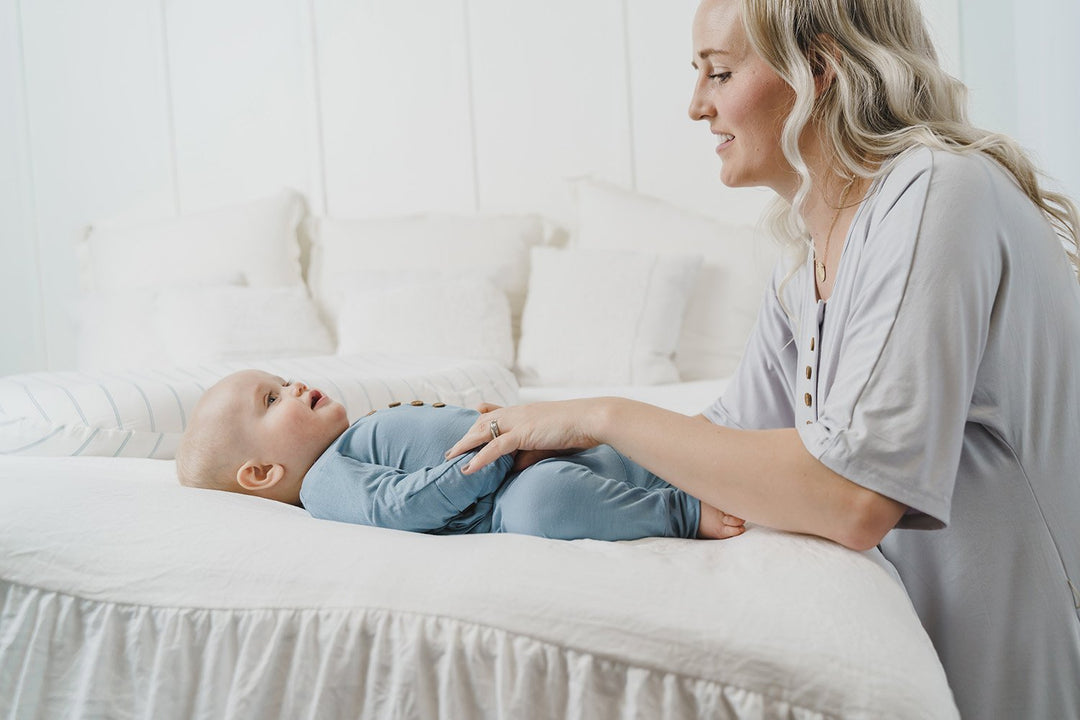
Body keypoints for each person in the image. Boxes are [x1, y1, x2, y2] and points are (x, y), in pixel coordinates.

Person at [444, 0, 1080, 716]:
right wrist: (518, 451)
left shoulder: (937, 193)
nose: (694, 107)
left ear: (821, 69)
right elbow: (724, 449)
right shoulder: (803, 266)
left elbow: (855, 496)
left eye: (718, 73)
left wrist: (600, 413)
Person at [174, 369, 744, 542]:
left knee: (617, 445)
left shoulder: (355, 435)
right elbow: (404, 505)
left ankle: (690, 453)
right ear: (261, 474)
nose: (295, 386)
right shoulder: (323, 484)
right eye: (272, 400)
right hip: (506, 491)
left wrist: (498, 422)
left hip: (522, 447)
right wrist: (495, 450)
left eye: (283, 380)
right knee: (543, 505)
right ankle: (679, 511)